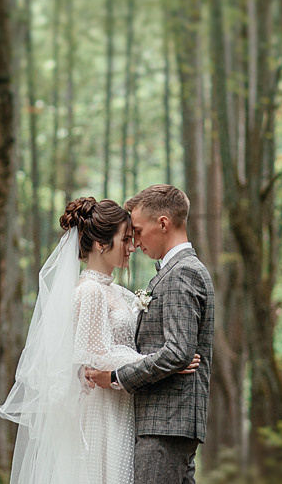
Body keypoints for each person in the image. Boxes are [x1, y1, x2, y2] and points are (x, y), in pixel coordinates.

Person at [0, 196, 200, 484]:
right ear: (100, 244)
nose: (132, 247)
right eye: (125, 239)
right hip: (104, 413)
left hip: (125, 404)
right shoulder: (89, 291)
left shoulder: (122, 294)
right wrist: (165, 362)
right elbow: (96, 355)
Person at [85, 184, 215, 484]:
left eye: (139, 231)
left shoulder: (181, 272)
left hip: (164, 423)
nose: (136, 242)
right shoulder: (176, 271)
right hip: (169, 422)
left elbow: (178, 352)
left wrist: (115, 377)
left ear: (164, 224)